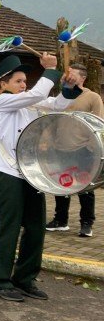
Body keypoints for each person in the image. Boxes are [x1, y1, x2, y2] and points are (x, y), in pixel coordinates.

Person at [0, 53, 82, 302]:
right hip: (7, 173)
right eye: (18, 81)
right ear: (2, 85)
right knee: (8, 228)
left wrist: (69, 85)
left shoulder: (29, 103)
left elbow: (58, 104)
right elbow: (38, 94)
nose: (23, 85)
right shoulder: (1, 102)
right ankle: (0, 281)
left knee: (36, 227)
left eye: (24, 81)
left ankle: (24, 279)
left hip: (31, 173)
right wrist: (50, 70)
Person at [46, 63, 104, 237]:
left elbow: (98, 124)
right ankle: (60, 220)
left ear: (83, 78)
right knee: (62, 185)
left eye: (72, 74)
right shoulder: (62, 97)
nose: (67, 76)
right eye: (67, 73)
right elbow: (53, 121)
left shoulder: (93, 97)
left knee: (85, 187)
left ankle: (87, 223)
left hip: (83, 150)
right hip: (60, 148)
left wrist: (91, 148)